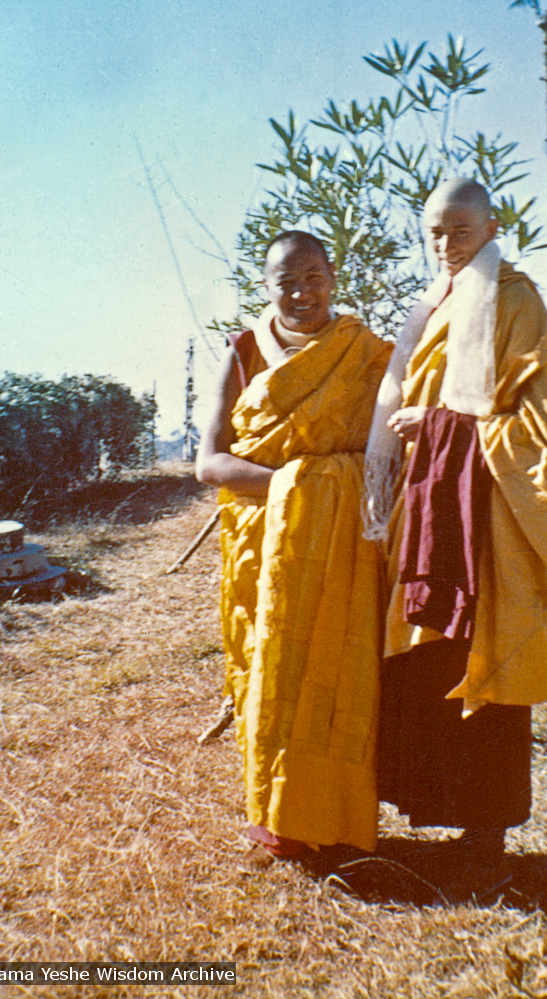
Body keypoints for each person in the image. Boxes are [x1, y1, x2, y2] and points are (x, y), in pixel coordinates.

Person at [362, 178, 547, 902]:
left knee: (480, 671)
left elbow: (532, 425)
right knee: (423, 669)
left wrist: (437, 425)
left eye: (458, 230)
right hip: (427, 510)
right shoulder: (432, 303)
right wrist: (418, 427)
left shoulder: (515, 299)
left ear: (492, 226)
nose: (444, 244)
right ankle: (433, 822)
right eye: (433, 231)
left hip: (487, 521)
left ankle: (485, 841)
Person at [196, 231, 392, 863]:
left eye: (314, 277)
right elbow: (209, 462)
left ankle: (335, 819)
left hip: (345, 545)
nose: (303, 293)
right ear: (265, 287)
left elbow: (393, 455)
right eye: (287, 281)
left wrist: (323, 492)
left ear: (333, 277)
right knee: (266, 673)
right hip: (264, 544)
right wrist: (297, 488)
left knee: (343, 677)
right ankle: (275, 821)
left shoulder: (369, 355)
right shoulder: (244, 352)